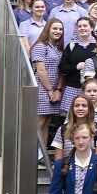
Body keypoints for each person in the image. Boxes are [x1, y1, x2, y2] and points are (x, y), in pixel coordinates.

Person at [31, 19, 65, 149]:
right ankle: (30, 152)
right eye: (54, 28)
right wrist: (50, 90)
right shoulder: (40, 46)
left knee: (47, 122)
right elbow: (41, 70)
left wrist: (58, 89)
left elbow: (61, 71)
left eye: (60, 29)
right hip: (42, 88)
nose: (58, 31)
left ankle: (41, 153)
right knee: (39, 122)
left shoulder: (58, 49)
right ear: (48, 29)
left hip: (53, 90)